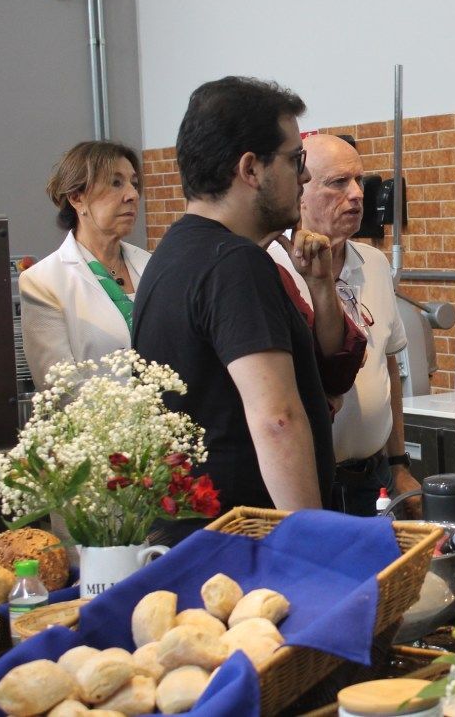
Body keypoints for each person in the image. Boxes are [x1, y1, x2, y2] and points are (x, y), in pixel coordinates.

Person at [132, 76, 336, 522]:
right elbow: (277, 419)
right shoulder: (235, 264)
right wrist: (311, 539)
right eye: (293, 159)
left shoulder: (170, 256)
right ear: (250, 169)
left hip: (198, 532)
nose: (302, 175)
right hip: (251, 541)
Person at [269, 134, 422, 516]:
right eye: (338, 183)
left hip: (374, 476)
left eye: (359, 180)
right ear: (299, 193)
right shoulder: (270, 268)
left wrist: (399, 462)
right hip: (306, 483)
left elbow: (387, 366)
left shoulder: (374, 263)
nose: (356, 194)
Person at [20, 140, 151, 389]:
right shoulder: (43, 282)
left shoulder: (153, 266)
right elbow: (60, 390)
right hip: (99, 426)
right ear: (77, 198)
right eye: (116, 183)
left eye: (134, 184)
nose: (132, 195)